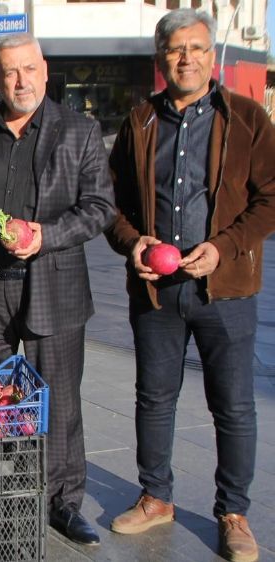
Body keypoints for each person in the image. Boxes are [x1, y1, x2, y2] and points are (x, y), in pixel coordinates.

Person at [105, 10, 275, 562]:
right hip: (156, 292)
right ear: (161, 58)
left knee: (233, 407)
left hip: (224, 290)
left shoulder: (248, 118)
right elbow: (111, 205)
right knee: (154, 398)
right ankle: (156, 497)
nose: (187, 58)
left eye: (197, 47)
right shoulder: (139, 123)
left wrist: (223, 247)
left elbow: (270, 198)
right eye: (176, 49)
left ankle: (233, 511)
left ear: (212, 54)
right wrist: (132, 243)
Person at [0, 33, 115, 546]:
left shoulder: (79, 130)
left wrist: (47, 236)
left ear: (44, 68)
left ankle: (63, 502)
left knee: (57, 400)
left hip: (51, 285)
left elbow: (100, 208)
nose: (21, 81)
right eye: (9, 72)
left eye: (29, 69)